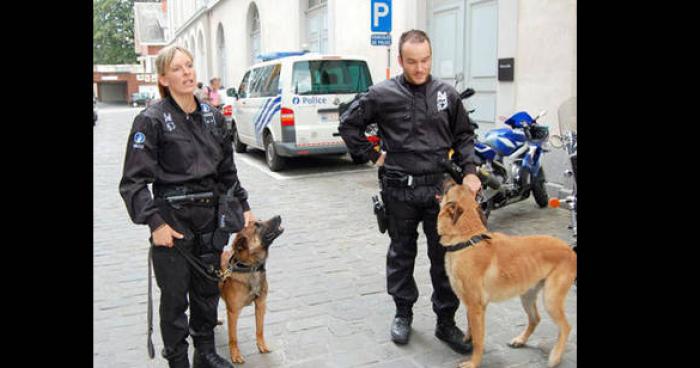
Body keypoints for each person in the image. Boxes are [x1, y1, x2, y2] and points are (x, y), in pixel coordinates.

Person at [339, 30, 482, 353]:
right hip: (399, 191)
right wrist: (373, 155)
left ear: (431, 57)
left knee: (444, 258)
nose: (420, 68)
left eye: (425, 60)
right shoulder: (381, 94)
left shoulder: (447, 94)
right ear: (401, 60)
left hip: (439, 191)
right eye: (413, 62)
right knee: (401, 254)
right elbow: (348, 124)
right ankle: (403, 313)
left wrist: (470, 172)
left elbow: (464, 136)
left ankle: (446, 321)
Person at [119, 45, 254, 368]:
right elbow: (133, 182)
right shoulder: (150, 120)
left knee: (207, 292)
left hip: (210, 219)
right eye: (177, 68)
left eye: (190, 65)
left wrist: (243, 206)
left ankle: (205, 352)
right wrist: (155, 224)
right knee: (175, 298)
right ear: (164, 78)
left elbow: (227, 173)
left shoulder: (213, 116)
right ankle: (178, 359)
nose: (187, 73)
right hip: (173, 223)